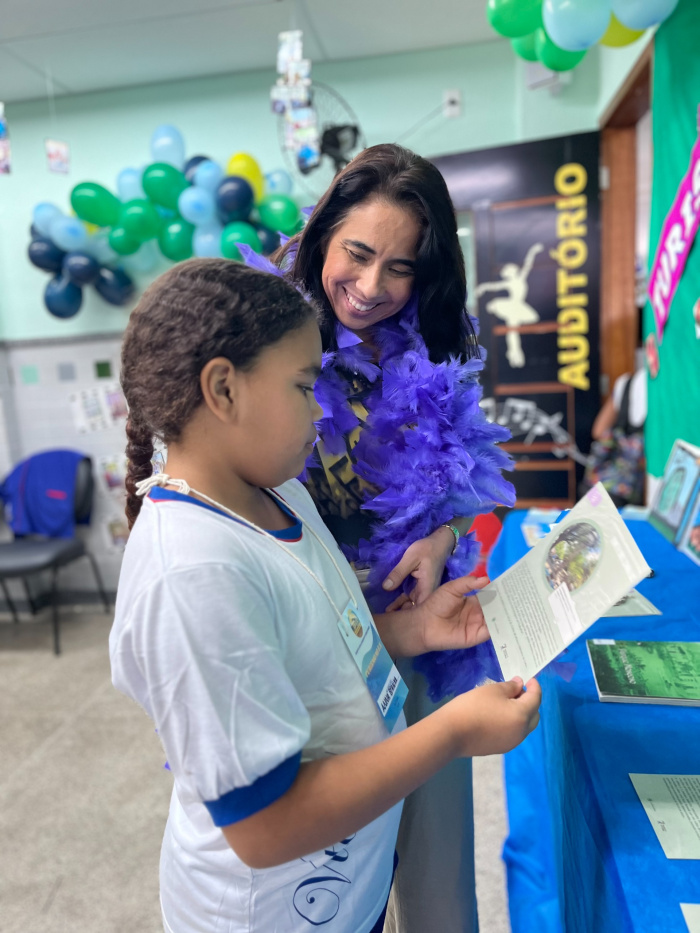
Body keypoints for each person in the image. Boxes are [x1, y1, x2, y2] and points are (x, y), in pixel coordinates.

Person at [110, 259, 541, 933]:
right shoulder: (193, 575)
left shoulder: (279, 491)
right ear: (224, 388)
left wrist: (413, 632)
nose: (321, 411)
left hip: (344, 892)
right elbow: (265, 825)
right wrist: (454, 731)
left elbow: (316, 636)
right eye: (306, 386)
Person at [242, 144, 516, 932]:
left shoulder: (438, 334)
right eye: (357, 254)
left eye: (400, 268)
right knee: (321, 881)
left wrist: (441, 536)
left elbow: (464, 478)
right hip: (311, 639)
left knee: (436, 880)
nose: (370, 288)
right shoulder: (263, 330)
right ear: (324, 232)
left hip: (417, 626)